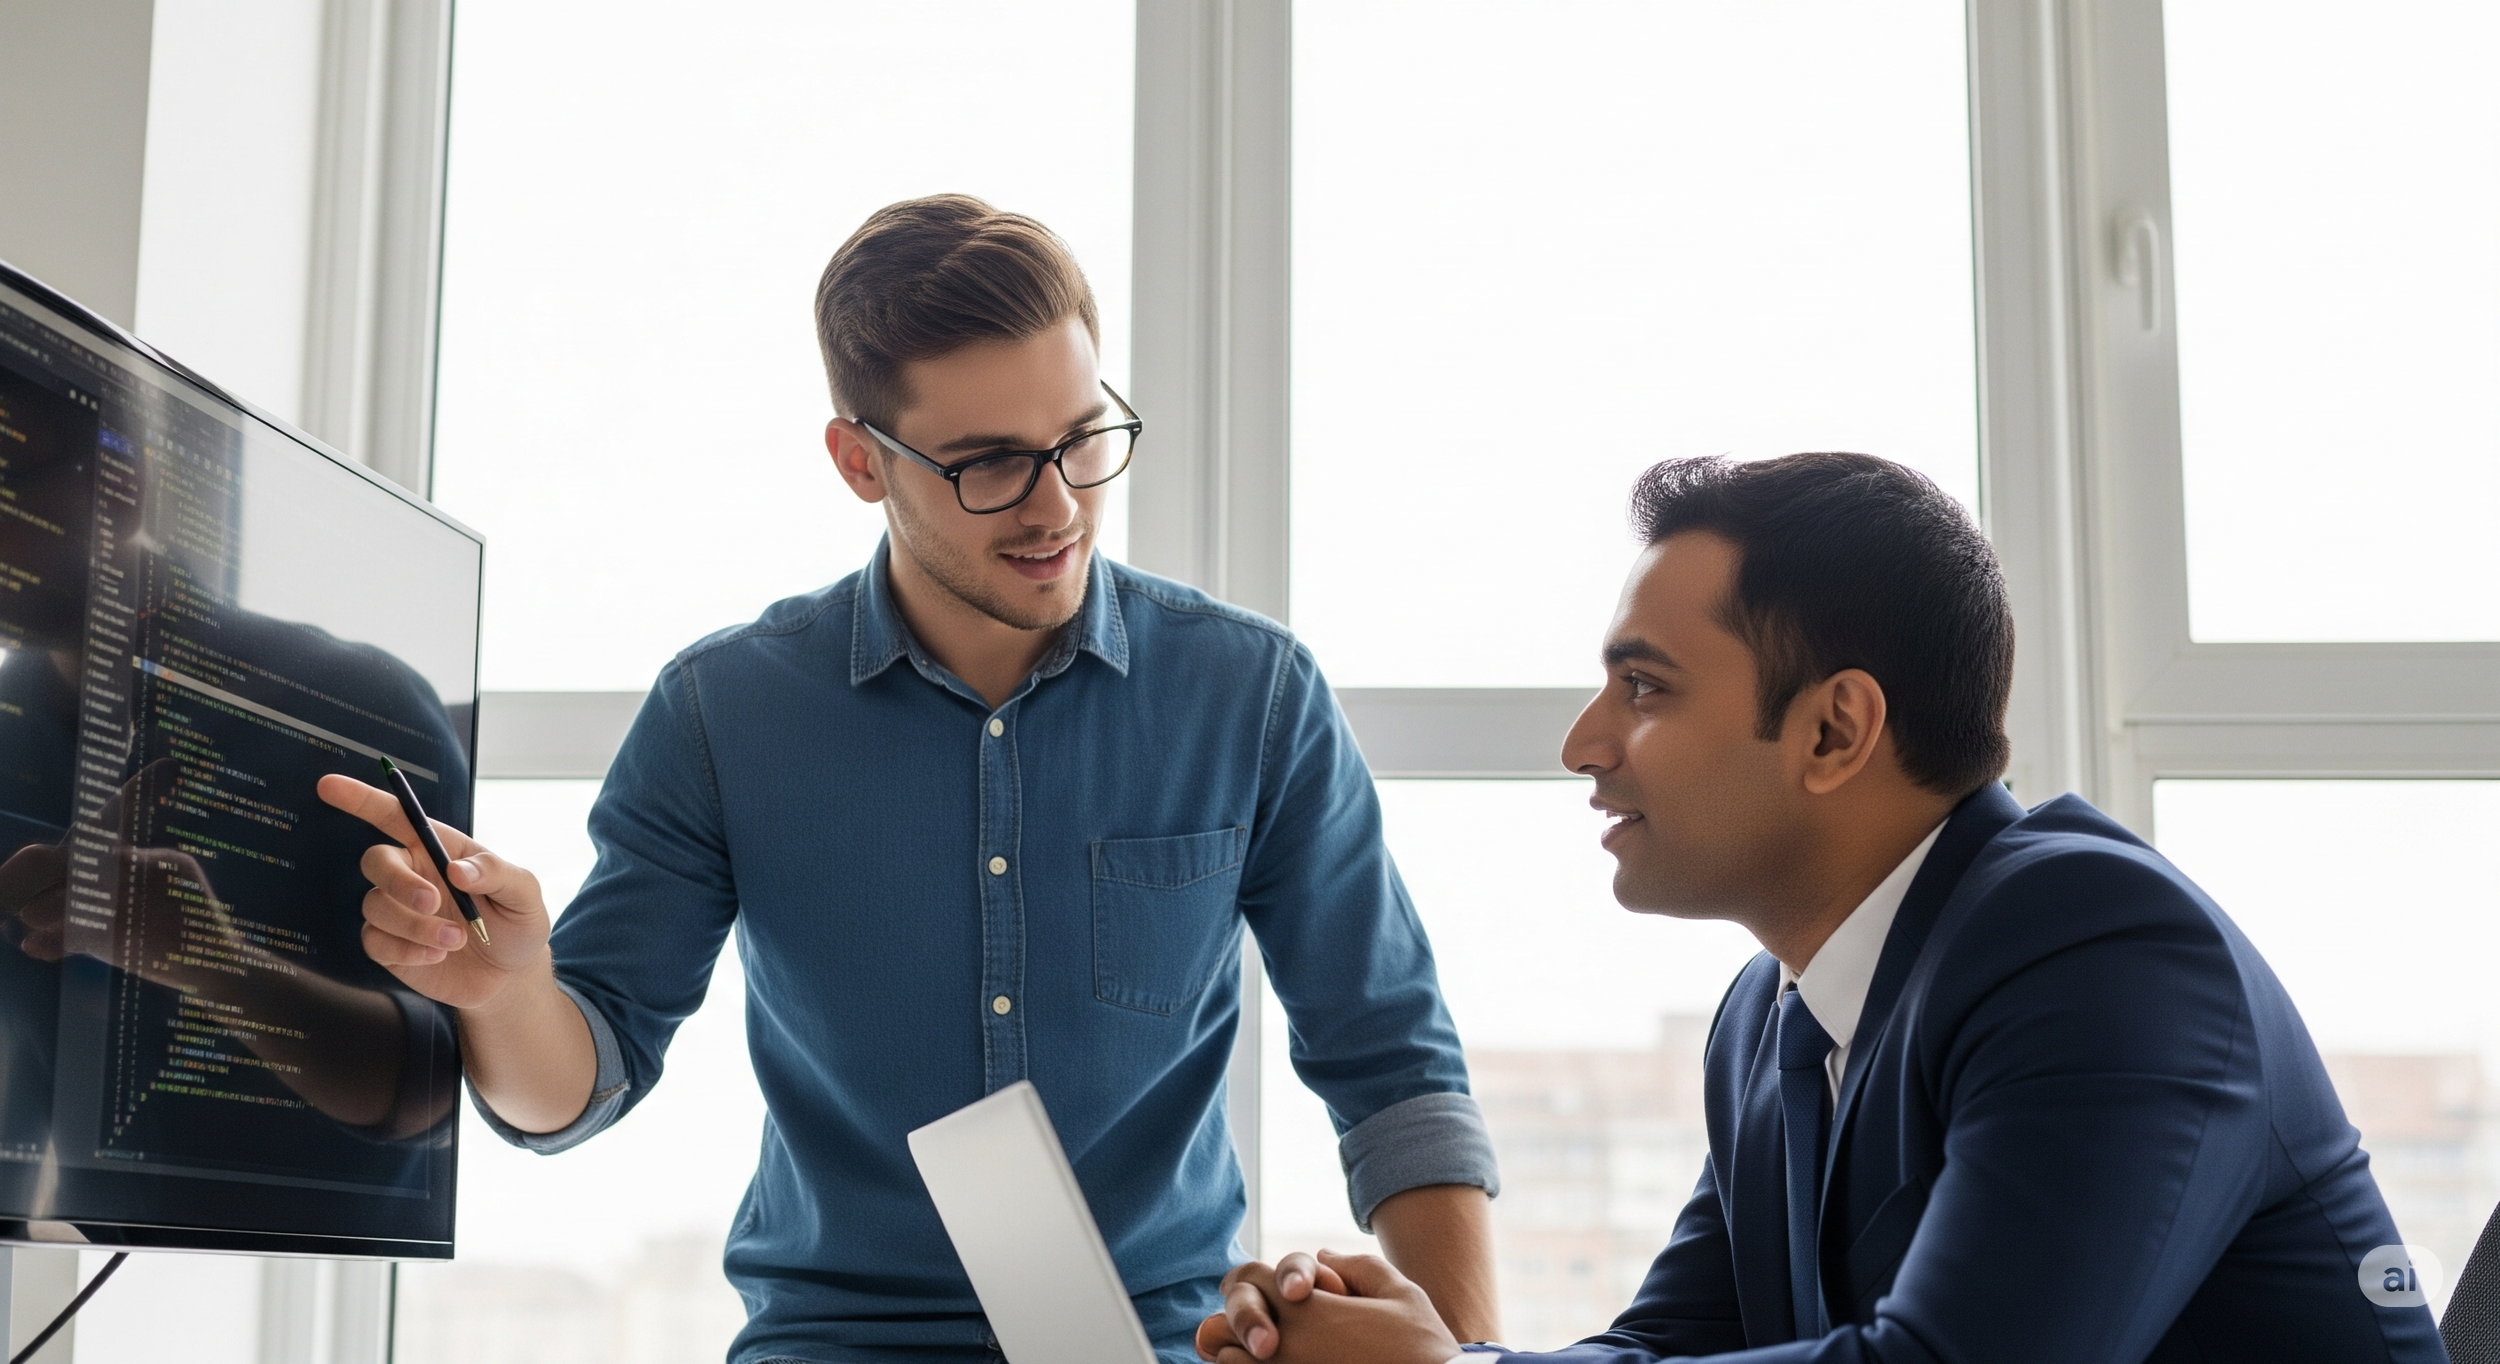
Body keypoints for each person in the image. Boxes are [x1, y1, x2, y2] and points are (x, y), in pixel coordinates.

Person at [314, 195, 1502, 1363]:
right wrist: (505, 991)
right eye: (988, 462)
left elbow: (1392, 1066)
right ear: (858, 460)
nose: (1057, 505)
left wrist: (1473, 1363)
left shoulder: (1254, 694)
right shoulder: (722, 713)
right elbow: (572, 1090)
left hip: (1162, 1341)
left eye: (1083, 439)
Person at [1199, 453, 2445, 1363]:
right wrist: (1418, 1348)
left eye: (1643, 686)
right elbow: (1659, 1351)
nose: (1583, 743)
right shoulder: (1767, 1020)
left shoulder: (2100, 946)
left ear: (1835, 728)